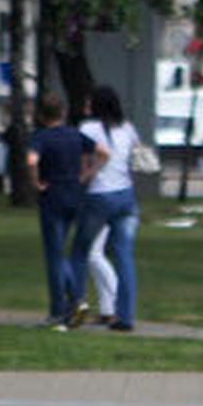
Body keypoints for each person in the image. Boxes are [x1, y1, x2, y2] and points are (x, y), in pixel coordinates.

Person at [26, 92, 107, 328]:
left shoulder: (41, 137)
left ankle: (62, 309)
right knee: (64, 251)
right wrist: (87, 174)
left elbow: (31, 161)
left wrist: (36, 182)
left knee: (55, 255)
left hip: (53, 197)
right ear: (62, 113)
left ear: (41, 115)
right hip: (76, 195)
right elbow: (103, 152)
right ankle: (73, 303)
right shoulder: (75, 134)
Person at [68, 85, 141, 331]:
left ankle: (75, 309)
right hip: (125, 195)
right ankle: (125, 316)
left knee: (79, 252)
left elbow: (85, 160)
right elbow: (134, 155)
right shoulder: (128, 128)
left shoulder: (89, 129)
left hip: (99, 196)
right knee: (123, 256)